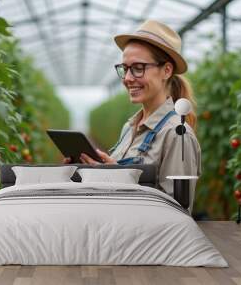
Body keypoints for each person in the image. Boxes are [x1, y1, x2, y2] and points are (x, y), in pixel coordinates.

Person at [64, 20, 201, 207]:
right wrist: (88, 173)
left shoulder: (178, 134)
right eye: (125, 68)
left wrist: (117, 179)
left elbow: (178, 211)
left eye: (138, 68)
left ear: (166, 70)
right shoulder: (129, 127)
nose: (128, 78)